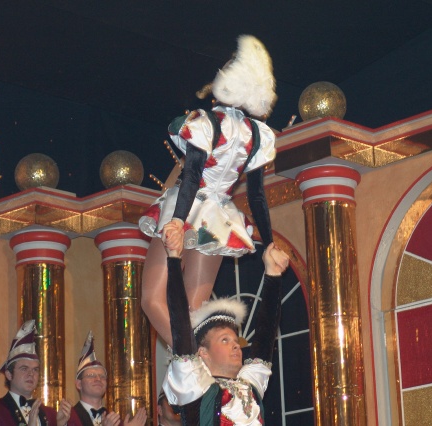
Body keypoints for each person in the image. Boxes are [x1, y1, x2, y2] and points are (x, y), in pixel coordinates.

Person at [139, 34, 278, 346]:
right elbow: (256, 195)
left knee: (152, 299)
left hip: (186, 206)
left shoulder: (204, 123)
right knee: (193, 310)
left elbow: (192, 176)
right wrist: (269, 242)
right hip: (219, 217)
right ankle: (199, 364)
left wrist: (177, 220)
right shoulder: (258, 135)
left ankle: (191, 360)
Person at [163, 241, 288, 425]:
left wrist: (273, 274)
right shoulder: (195, 387)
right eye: (225, 340)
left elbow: (265, 337)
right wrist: (174, 260)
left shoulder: (249, 386)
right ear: (202, 352)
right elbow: (180, 326)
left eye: (235, 341)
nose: (236, 345)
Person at [0, 320, 72, 426]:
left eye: (35, 369)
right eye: (24, 369)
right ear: (9, 374)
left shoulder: (51, 414)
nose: (31, 374)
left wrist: (60, 424)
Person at [68, 331, 147, 426]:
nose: (98, 379)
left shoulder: (118, 422)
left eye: (102, 376)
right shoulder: (68, 418)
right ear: (79, 384)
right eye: (91, 375)